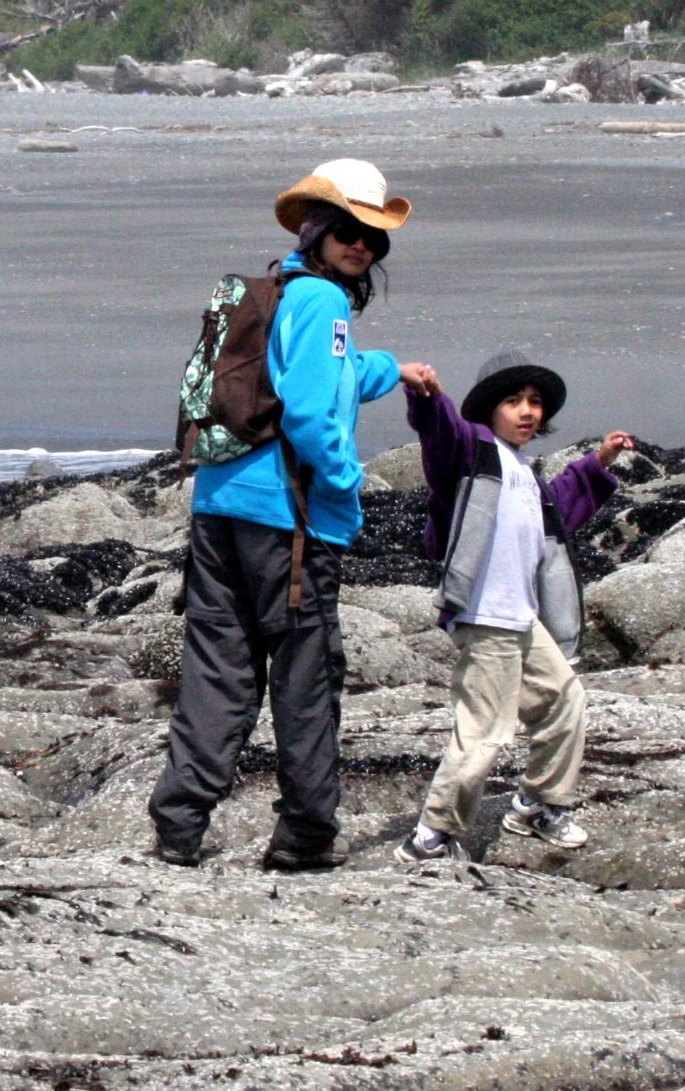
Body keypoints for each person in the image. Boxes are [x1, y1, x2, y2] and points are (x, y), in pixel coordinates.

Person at [149, 158, 436, 871]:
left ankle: (179, 824)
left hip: (219, 505)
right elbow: (309, 411)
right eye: (348, 230)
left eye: (372, 236)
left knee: (217, 668)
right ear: (317, 230)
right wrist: (346, 483)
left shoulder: (277, 291)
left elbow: (323, 374)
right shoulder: (324, 301)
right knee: (305, 678)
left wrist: (392, 368)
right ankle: (305, 835)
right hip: (291, 521)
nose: (361, 244)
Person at [394, 350, 633, 864]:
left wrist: (599, 462)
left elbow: (563, 504)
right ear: (489, 410)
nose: (527, 411)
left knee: (565, 699)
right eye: (514, 401)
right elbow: (440, 432)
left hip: (522, 618)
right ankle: (433, 835)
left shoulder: (524, 472)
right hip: (484, 615)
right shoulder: (471, 453)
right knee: (485, 728)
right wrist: (426, 396)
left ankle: (536, 803)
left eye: (535, 403)